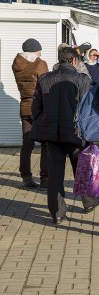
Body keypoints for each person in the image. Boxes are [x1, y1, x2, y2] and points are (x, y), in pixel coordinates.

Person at [30, 47, 99, 224]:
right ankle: (90, 202)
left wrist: (41, 121)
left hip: (52, 134)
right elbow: (89, 108)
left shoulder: (44, 79)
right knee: (83, 168)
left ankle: (57, 212)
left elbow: (36, 107)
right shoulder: (82, 79)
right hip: (75, 133)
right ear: (74, 61)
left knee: (54, 174)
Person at [12, 38, 49, 188]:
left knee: (27, 144)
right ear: (35, 50)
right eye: (39, 49)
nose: (41, 52)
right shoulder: (40, 64)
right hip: (39, 108)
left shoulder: (16, 64)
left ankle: (26, 177)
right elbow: (46, 87)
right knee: (46, 143)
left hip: (25, 107)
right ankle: (45, 178)